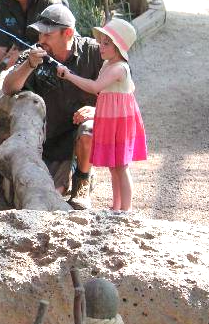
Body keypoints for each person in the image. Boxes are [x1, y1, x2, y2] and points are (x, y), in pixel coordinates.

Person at [2, 3, 104, 209]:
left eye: (48, 35)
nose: (41, 40)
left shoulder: (95, 53)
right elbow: (8, 88)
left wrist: (98, 111)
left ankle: (82, 182)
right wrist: (28, 64)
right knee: (37, 194)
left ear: (67, 33)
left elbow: (123, 92)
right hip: (47, 139)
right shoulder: (34, 55)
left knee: (89, 129)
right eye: (40, 34)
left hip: (79, 134)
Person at [56, 18, 147, 211]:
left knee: (121, 166)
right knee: (114, 166)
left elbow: (95, 87)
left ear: (119, 47)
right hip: (111, 118)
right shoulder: (108, 65)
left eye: (106, 43)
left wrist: (68, 75)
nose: (101, 47)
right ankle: (116, 208)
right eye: (101, 42)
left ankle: (126, 210)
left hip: (119, 121)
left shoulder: (119, 68)